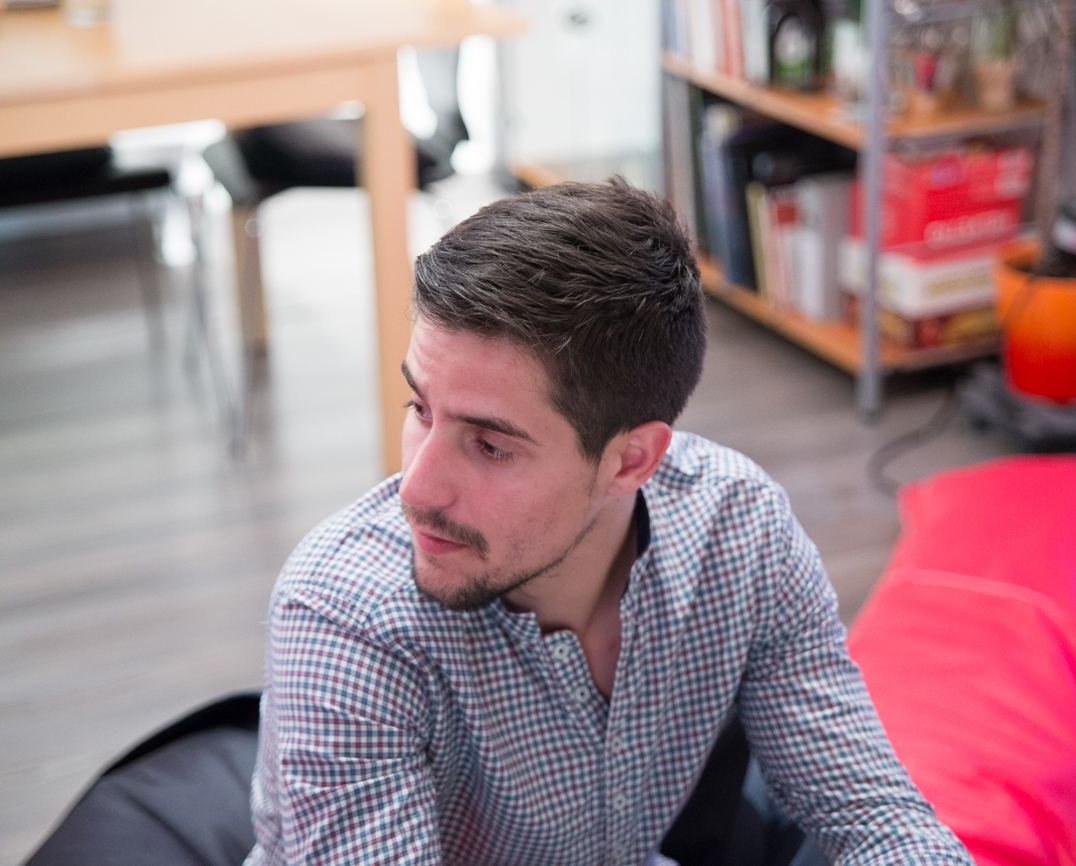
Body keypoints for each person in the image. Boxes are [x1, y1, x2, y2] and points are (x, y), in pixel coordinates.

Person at [245, 179, 973, 866]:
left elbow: (872, 815)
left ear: (632, 461)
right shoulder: (347, 621)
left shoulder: (738, 532)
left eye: (491, 445)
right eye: (420, 409)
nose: (416, 488)